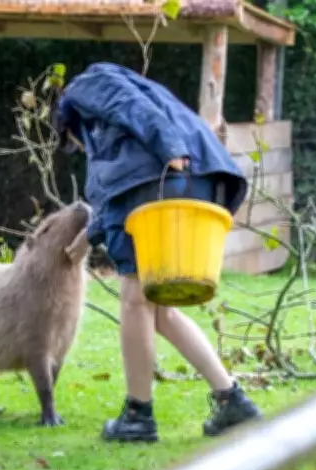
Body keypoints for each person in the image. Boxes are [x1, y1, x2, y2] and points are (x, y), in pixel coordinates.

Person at [53, 62, 263, 442]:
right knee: (160, 310)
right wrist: (86, 239)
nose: (82, 149)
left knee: (134, 300)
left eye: (75, 144)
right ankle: (232, 400)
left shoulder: (86, 85)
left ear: (65, 123)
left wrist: (170, 148)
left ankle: (138, 415)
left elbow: (126, 103)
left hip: (163, 180)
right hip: (195, 181)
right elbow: (114, 196)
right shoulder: (132, 134)